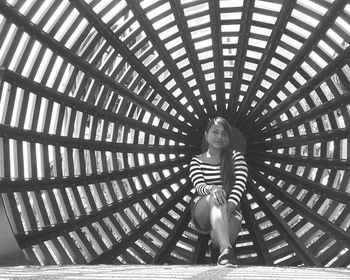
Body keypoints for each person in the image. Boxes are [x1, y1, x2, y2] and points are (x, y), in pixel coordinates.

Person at [189, 117, 248, 267]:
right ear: (206, 135)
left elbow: (239, 186)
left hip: (230, 207)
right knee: (216, 197)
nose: (219, 137)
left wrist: (226, 211)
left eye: (224, 134)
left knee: (223, 235)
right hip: (204, 206)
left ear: (228, 138)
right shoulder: (196, 161)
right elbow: (199, 186)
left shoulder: (236, 158)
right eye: (215, 132)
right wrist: (213, 189)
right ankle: (226, 250)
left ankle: (219, 247)